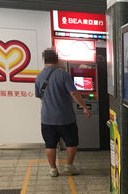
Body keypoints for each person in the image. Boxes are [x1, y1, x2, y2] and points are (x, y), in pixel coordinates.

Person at [35, 48, 91, 177]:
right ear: (57, 60)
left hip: (47, 118)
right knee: (71, 142)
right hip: (65, 117)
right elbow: (74, 93)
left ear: (45, 60)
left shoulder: (39, 76)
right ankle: (69, 166)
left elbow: (39, 96)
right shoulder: (63, 75)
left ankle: (53, 169)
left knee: (50, 144)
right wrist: (84, 107)